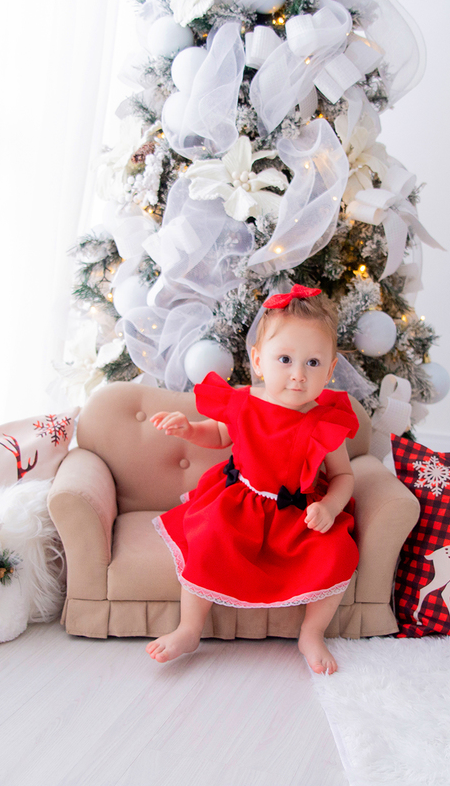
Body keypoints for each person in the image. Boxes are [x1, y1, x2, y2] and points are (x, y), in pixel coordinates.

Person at [146, 284, 359, 675]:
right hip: (240, 502)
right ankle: (189, 628)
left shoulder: (325, 419)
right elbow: (220, 435)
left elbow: (344, 475)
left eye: (313, 363)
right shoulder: (244, 402)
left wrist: (329, 507)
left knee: (337, 553)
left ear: (330, 370)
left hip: (299, 512)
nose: (298, 375)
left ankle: (312, 633)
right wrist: (189, 429)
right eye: (285, 359)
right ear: (259, 361)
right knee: (208, 538)